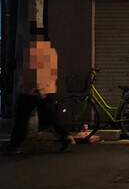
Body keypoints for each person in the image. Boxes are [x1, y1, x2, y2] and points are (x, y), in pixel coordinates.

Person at [1, 26, 74, 155]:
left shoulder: (35, 51)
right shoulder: (51, 51)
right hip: (48, 89)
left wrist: (36, 88)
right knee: (50, 115)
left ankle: (15, 145)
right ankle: (65, 135)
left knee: (21, 119)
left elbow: (34, 72)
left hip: (32, 90)